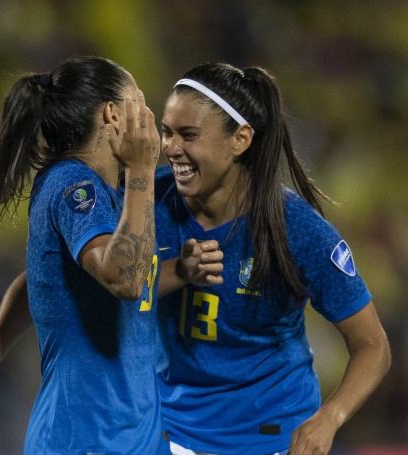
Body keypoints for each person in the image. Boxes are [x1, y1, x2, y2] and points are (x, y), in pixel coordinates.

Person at [0, 56, 222, 454]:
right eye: (139, 99)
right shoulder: (74, 186)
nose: (150, 114)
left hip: (138, 437)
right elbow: (126, 280)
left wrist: (179, 271)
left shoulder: (110, 193)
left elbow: (41, 281)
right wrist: (141, 172)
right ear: (114, 114)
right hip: (84, 439)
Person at [153, 62, 391, 455]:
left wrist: (329, 418)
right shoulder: (147, 200)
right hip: (169, 431)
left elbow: (373, 345)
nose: (172, 148)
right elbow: (110, 282)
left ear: (240, 139)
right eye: (167, 132)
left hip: (269, 437)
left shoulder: (295, 228)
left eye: (188, 135)